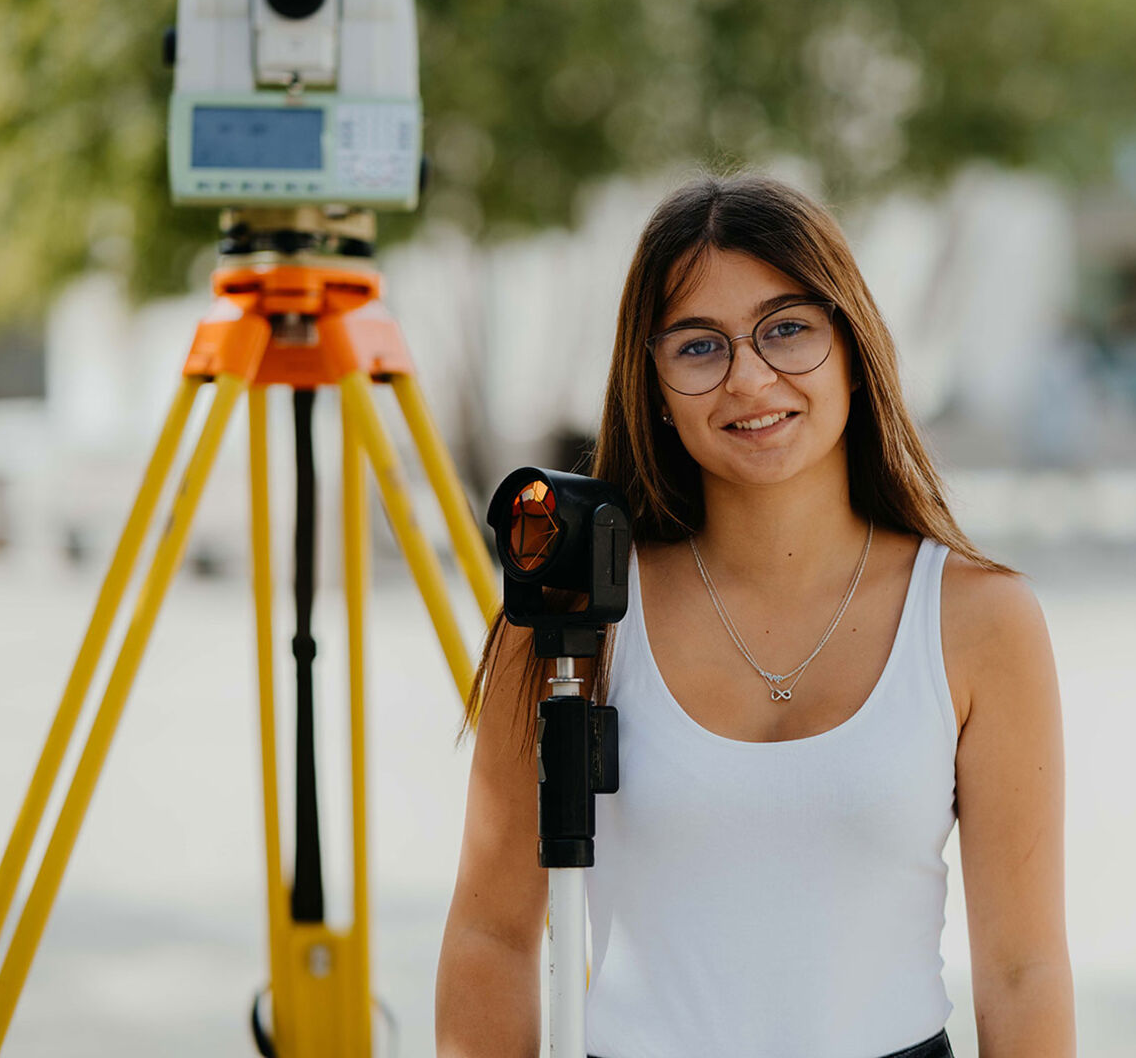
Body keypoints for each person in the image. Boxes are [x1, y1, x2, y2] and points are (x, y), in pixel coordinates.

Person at [436, 173, 1074, 1058]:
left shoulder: (979, 620)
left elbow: (1022, 970)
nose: (749, 377)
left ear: (854, 348)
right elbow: (491, 938)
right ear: (652, 382)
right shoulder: (575, 611)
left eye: (787, 330)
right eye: (698, 347)